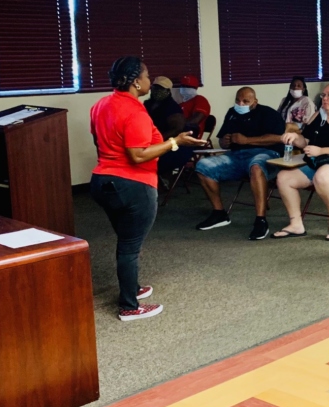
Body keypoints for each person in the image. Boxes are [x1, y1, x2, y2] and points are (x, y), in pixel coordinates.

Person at [89, 57, 205, 321]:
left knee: (126, 240)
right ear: (135, 82)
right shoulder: (135, 112)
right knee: (130, 246)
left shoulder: (100, 105)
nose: (149, 81)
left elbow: (99, 141)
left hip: (102, 182)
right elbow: (138, 155)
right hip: (133, 185)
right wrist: (175, 142)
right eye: (146, 76)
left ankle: (132, 287)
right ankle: (129, 307)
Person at [273, 83, 329, 242]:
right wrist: (295, 137)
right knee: (284, 178)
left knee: (323, 176)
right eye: (323, 95)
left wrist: (321, 151)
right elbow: (306, 142)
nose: (325, 98)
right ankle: (296, 224)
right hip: (319, 164)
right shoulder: (318, 116)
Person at [195, 87, 286, 241]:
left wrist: (247, 140)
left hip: (266, 153)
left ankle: (261, 220)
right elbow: (223, 141)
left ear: (255, 102)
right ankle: (219, 213)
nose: (240, 104)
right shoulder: (232, 113)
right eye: (238, 100)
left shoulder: (268, 113)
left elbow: (279, 138)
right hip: (236, 156)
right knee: (203, 166)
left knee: (256, 166)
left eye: (245, 101)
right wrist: (224, 142)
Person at [144, 76, 192, 176]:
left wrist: (157, 140)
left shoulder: (172, 107)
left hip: (173, 145)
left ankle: (161, 179)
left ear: (168, 91)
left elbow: (177, 129)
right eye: (155, 88)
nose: (157, 91)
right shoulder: (148, 105)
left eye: (161, 89)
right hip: (151, 142)